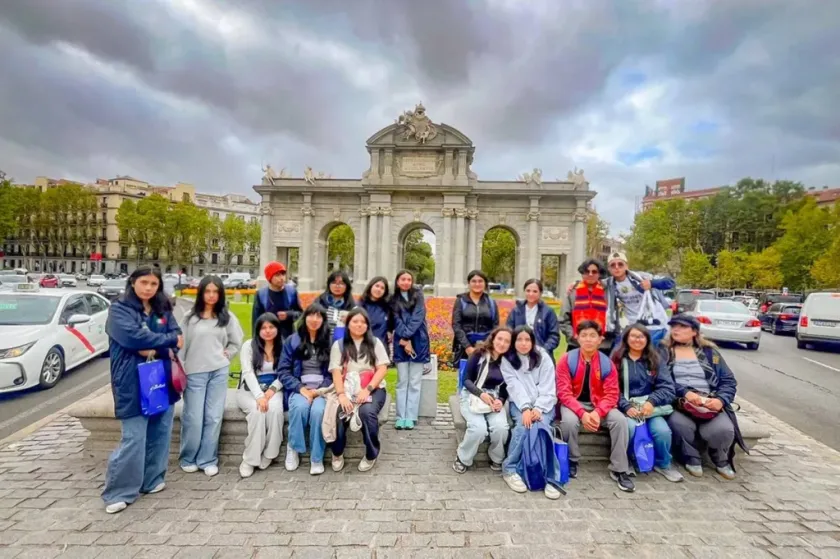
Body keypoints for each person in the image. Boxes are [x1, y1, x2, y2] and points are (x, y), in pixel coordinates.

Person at [101, 266, 184, 514]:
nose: (148, 288)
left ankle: (152, 480)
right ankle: (119, 491)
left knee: (160, 431)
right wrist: (165, 342)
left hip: (162, 377)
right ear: (133, 282)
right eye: (144, 282)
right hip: (132, 380)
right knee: (134, 438)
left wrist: (156, 346)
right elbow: (132, 338)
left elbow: (177, 337)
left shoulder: (163, 309)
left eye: (154, 284)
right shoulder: (119, 309)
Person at [661, 315, 746, 479]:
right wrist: (685, 393)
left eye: (682, 326)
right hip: (680, 403)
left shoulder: (710, 353)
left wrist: (720, 400)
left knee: (723, 430)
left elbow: (728, 381)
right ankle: (691, 457)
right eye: (674, 326)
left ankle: (721, 459)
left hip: (709, 402)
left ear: (694, 332)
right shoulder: (664, 352)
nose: (676, 330)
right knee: (679, 425)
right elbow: (662, 379)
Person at [555, 320, 635, 492]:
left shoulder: (607, 363)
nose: (588, 340)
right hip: (574, 403)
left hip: (600, 405)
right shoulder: (567, 360)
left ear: (600, 339)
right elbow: (563, 392)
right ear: (577, 338)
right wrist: (582, 413)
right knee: (568, 421)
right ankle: (572, 459)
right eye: (584, 336)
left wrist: (598, 412)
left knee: (620, 420)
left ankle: (620, 468)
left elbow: (612, 394)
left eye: (593, 336)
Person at [178, 276, 243, 477]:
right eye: (208, 291)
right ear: (201, 293)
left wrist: (228, 354)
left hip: (219, 371)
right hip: (194, 373)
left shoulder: (227, 317)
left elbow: (236, 342)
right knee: (194, 418)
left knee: (214, 417)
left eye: (216, 291)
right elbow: (181, 347)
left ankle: (208, 459)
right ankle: (188, 457)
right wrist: (181, 370)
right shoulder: (190, 318)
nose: (212, 295)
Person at [611, 323, 683, 482]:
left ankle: (663, 463)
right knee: (629, 428)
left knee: (662, 431)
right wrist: (626, 406)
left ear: (647, 339)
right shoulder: (616, 359)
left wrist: (651, 402)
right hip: (626, 408)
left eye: (641, 336)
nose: (637, 340)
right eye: (633, 336)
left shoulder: (655, 359)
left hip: (650, 409)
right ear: (626, 338)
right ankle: (628, 461)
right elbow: (610, 388)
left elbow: (667, 387)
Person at [500, 326, 560, 499]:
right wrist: (526, 408)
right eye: (519, 339)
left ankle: (551, 476)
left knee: (543, 428)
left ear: (533, 341)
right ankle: (510, 469)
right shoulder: (508, 359)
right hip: (520, 404)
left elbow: (548, 387)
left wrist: (538, 408)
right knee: (522, 426)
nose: (523, 344)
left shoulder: (543, 357)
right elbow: (514, 386)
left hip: (544, 404)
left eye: (527, 340)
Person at [328, 307, 389, 472]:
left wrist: (367, 390)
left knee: (367, 412)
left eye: (363, 322)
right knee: (340, 411)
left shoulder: (375, 343)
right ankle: (337, 452)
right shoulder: (339, 345)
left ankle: (371, 454)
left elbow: (382, 369)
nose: (359, 325)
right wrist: (341, 395)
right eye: (355, 321)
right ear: (348, 324)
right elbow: (336, 371)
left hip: (373, 388)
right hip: (347, 388)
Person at [278, 304, 333, 475]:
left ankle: (316, 458)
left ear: (323, 320)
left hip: (323, 390)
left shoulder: (329, 342)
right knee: (299, 408)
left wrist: (320, 391)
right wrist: (300, 388)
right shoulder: (292, 341)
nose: (314, 320)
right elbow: (283, 371)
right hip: (299, 387)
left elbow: (334, 371)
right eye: (311, 315)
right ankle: (293, 448)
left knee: (318, 412)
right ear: (305, 317)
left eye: (319, 316)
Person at [452, 327, 512, 474]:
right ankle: (463, 458)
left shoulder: (509, 362)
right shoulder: (479, 354)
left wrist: (501, 400)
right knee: (478, 429)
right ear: (493, 338)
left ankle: (496, 457)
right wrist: (481, 394)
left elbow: (505, 388)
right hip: (473, 394)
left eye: (507, 341)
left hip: (494, 397)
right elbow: (466, 380)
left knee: (501, 428)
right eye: (500, 339)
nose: (502, 343)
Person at [236, 313, 285, 478]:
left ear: (277, 329)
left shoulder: (283, 346)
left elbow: (285, 372)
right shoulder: (249, 346)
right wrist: (259, 396)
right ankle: (250, 459)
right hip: (250, 389)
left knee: (275, 410)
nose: (268, 331)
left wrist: (271, 391)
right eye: (264, 328)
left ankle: (270, 454)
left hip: (273, 389)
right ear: (258, 330)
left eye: (271, 327)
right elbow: (248, 373)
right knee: (258, 412)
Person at [604, 251, 674, 348]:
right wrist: (575, 285)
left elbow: (670, 282)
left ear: (626, 266)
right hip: (634, 324)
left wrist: (652, 283)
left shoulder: (642, 276)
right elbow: (591, 282)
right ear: (609, 269)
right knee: (617, 349)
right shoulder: (609, 283)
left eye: (620, 264)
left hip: (655, 323)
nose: (617, 267)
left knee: (650, 354)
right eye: (613, 265)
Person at [391, 269, 430, 430]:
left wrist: (407, 337)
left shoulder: (418, 295)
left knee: (414, 381)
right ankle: (401, 416)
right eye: (403, 279)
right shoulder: (393, 298)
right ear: (397, 281)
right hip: (400, 342)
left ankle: (411, 416)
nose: (406, 282)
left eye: (408, 279)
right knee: (402, 381)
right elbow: (395, 319)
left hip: (418, 340)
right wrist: (404, 339)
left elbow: (418, 316)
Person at [558, 259, 613, 352]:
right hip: (576, 344)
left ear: (599, 274)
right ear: (582, 273)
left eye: (594, 271)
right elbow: (563, 319)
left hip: (602, 346)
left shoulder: (609, 291)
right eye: (587, 271)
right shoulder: (573, 292)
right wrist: (573, 336)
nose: (590, 274)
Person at [451, 270, 499, 365]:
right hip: (465, 348)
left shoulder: (491, 303)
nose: (477, 284)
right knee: (464, 377)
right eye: (474, 281)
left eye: (480, 281)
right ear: (469, 283)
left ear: (485, 284)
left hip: (486, 348)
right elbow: (456, 325)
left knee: (484, 377)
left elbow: (496, 327)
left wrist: (485, 346)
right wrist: (468, 347)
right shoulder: (461, 301)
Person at [506, 278, 560, 361]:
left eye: (535, 291)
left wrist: (543, 350)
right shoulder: (516, 311)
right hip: (519, 355)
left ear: (540, 293)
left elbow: (554, 336)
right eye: (528, 291)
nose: (531, 294)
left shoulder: (548, 312)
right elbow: (508, 331)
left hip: (541, 356)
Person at [252, 261, 303, 341]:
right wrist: (255, 340)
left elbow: (300, 313)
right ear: (270, 278)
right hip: (268, 338)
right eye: (277, 275)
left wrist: (288, 315)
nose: (281, 278)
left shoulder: (291, 292)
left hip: (288, 337)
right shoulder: (261, 294)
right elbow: (256, 320)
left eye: (283, 274)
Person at [317, 270, 356, 339]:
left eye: (341, 283)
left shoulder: (351, 304)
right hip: (322, 339)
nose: (337, 286)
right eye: (334, 283)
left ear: (347, 286)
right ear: (329, 284)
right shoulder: (320, 301)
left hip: (343, 340)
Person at [359, 276, 392, 350]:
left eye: (382, 288)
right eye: (377, 286)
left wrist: (390, 331)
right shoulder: (360, 306)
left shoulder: (387, 307)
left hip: (381, 348)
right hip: (363, 348)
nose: (379, 289)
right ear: (370, 286)